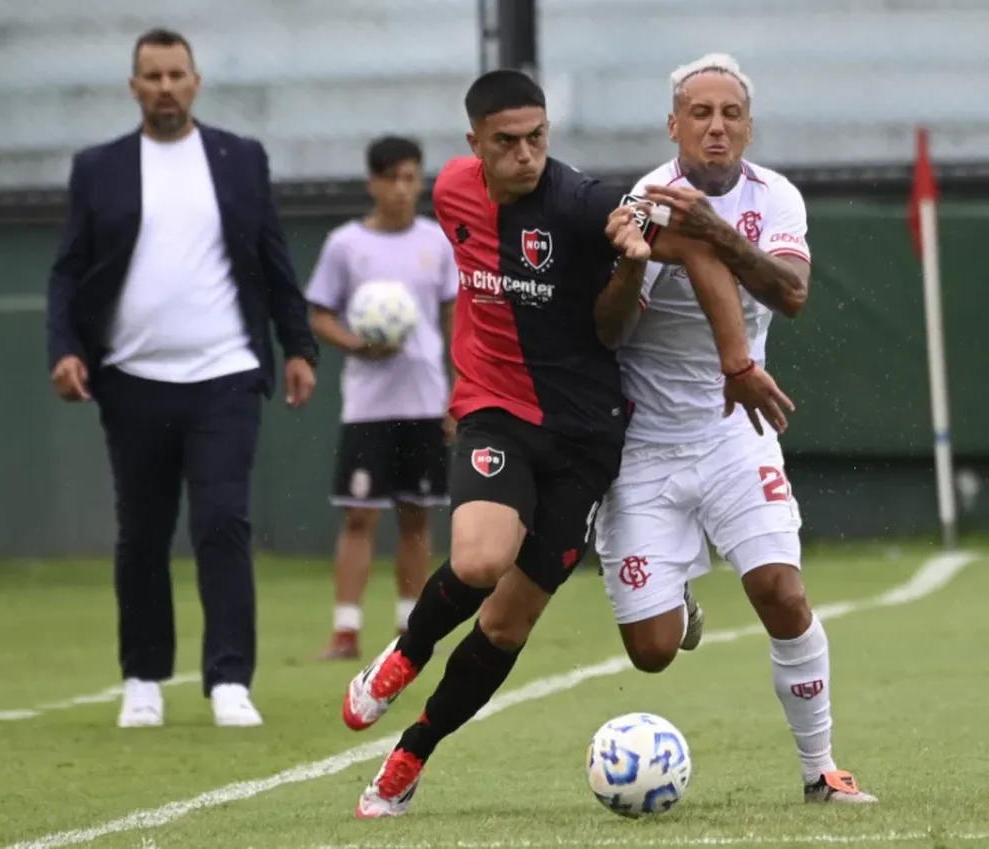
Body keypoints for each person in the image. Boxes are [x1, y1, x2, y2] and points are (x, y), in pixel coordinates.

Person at [340, 69, 793, 818]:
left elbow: (705, 255)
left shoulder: (587, 203)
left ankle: (412, 753)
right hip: (496, 414)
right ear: (474, 146)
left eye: (537, 139)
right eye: (506, 143)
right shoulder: (452, 190)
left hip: (585, 438)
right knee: (481, 557)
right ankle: (402, 656)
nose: (525, 156)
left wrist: (734, 357)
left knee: (506, 622)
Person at [592, 53, 877, 803]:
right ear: (674, 125)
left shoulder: (776, 197)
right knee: (651, 652)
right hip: (644, 446)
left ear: (748, 127)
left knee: (781, 591)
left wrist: (719, 234)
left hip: (733, 429)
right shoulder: (645, 201)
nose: (715, 127)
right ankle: (678, 603)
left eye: (730, 114)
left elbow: (791, 295)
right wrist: (627, 265)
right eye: (700, 113)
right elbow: (612, 333)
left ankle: (821, 770)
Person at [45, 28, 318, 728]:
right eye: (152, 76)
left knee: (222, 522)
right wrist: (65, 349)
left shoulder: (238, 159)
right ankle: (142, 676)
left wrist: (299, 347)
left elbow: (273, 258)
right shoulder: (99, 168)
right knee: (142, 531)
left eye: (176, 74)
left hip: (224, 373)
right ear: (134, 87)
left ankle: (229, 678)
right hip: (131, 379)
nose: (165, 87)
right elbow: (69, 270)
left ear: (196, 82)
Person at [305, 135, 457, 661]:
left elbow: (455, 320)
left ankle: (407, 631)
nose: (401, 189)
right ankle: (345, 632)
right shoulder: (346, 245)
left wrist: (458, 392)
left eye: (411, 177)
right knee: (358, 516)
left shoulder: (436, 243)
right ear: (373, 182)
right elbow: (320, 311)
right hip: (368, 405)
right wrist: (353, 343)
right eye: (391, 178)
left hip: (424, 401)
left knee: (417, 515)